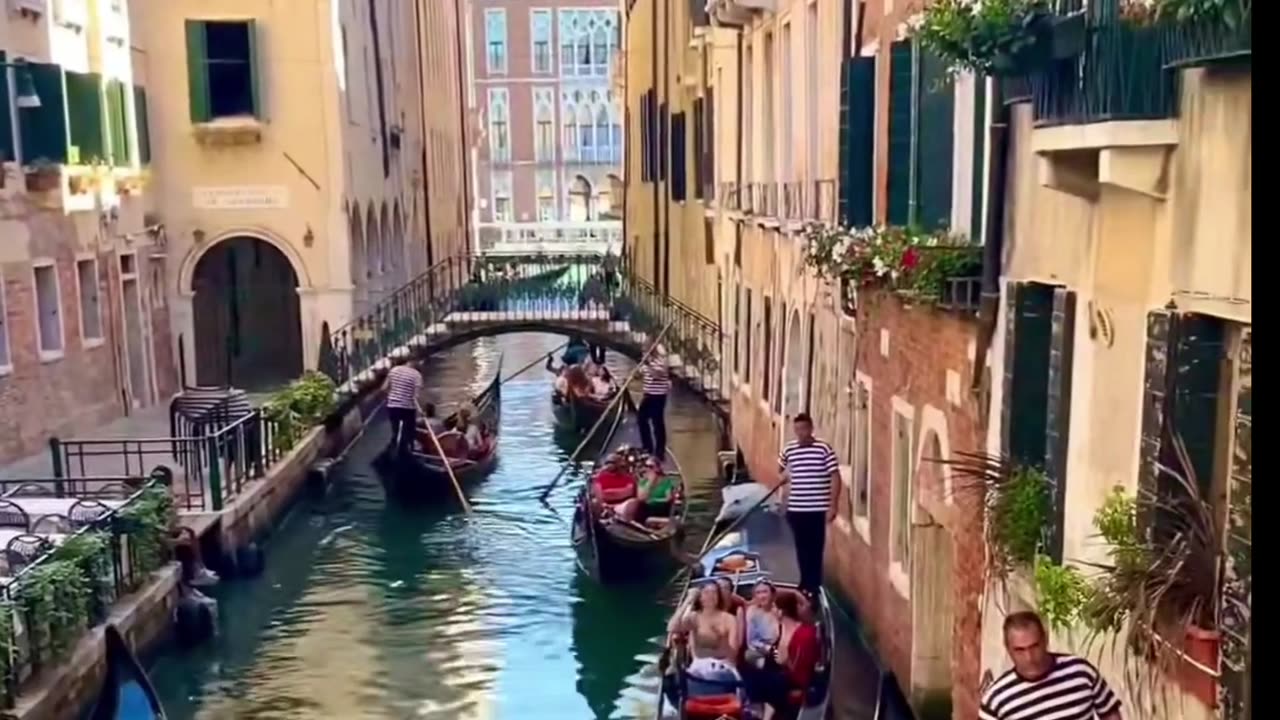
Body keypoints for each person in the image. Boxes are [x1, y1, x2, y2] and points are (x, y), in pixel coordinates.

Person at [980, 611, 1122, 720]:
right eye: (1020, 650)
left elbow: (1110, 715)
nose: (1029, 658)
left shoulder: (1080, 673)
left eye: (1034, 646)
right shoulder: (996, 698)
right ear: (1008, 649)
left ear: (1045, 639)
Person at [777, 413, 841, 598]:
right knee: (801, 548)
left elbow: (835, 477)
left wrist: (833, 506)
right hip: (796, 509)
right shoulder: (789, 449)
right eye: (797, 429)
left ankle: (813, 587)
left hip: (816, 509)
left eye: (804, 429)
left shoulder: (823, 449)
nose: (801, 433)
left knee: (815, 548)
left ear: (811, 429)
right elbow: (780, 471)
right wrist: (785, 478)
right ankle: (805, 585)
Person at [754, 591, 821, 720]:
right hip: (780, 672)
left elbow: (793, 666)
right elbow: (776, 655)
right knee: (759, 672)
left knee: (773, 681)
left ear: (781, 611)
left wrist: (781, 658)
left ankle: (767, 715)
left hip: (795, 678)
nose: (771, 610)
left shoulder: (803, 634)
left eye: (774, 607)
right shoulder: (780, 628)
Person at [667, 582, 741, 698]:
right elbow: (672, 627)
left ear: (719, 597)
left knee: (713, 679)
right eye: (706, 592)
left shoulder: (730, 619)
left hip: (723, 667)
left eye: (714, 593)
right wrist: (688, 600)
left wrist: (714, 648)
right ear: (700, 597)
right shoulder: (694, 618)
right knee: (675, 680)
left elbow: (732, 654)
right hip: (698, 669)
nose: (710, 596)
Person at [637, 343, 671, 464]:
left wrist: (647, 364)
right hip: (648, 394)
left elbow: (658, 374)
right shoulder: (646, 357)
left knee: (657, 422)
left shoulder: (662, 358)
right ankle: (647, 448)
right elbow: (643, 373)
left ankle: (660, 453)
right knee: (641, 419)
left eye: (645, 348)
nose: (643, 350)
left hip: (659, 395)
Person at [384, 356, 423, 456]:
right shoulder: (417, 375)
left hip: (392, 405)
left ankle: (394, 450)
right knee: (409, 431)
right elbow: (415, 397)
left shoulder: (394, 370)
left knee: (395, 431)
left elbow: (384, 388)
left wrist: (391, 396)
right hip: (407, 408)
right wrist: (420, 411)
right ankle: (409, 451)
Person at [740, 580, 781, 668]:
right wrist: (767, 648)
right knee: (749, 655)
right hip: (761, 649)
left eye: (765, 592)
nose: (762, 596)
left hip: (780, 647)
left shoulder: (779, 610)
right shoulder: (752, 612)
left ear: (772, 594)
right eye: (758, 593)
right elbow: (752, 641)